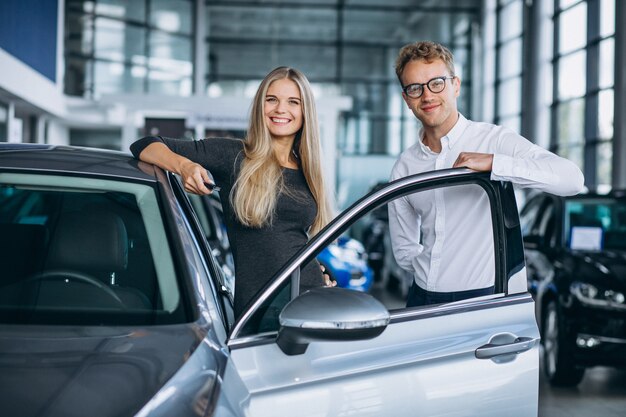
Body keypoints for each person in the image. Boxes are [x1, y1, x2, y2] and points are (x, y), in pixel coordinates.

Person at [388, 41, 584, 307]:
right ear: (406, 99)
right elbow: (403, 250)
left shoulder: (494, 141)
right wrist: (432, 272)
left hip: (483, 298)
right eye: (415, 88)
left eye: (437, 83)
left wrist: (496, 163)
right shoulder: (405, 166)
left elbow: (572, 179)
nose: (427, 96)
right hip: (422, 297)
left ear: (455, 85)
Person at [130, 66, 334, 319]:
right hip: (261, 310)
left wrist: (317, 268)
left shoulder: (308, 168)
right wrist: (185, 166)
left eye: (293, 102)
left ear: (305, 112)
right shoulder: (235, 155)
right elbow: (145, 145)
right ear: (261, 106)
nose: (281, 109)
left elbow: (290, 238)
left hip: (310, 299)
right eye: (272, 99)